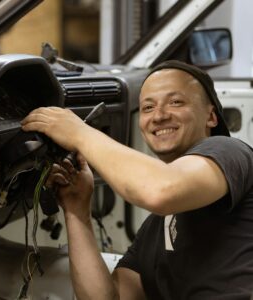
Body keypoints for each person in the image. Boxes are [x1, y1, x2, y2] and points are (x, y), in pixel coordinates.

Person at [21, 60, 253, 299]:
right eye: (148, 107)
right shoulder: (157, 227)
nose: (159, 116)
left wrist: (78, 133)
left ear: (211, 116)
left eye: (176, 102)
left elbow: (160, 190)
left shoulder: (229, 151)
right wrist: (77, 211)